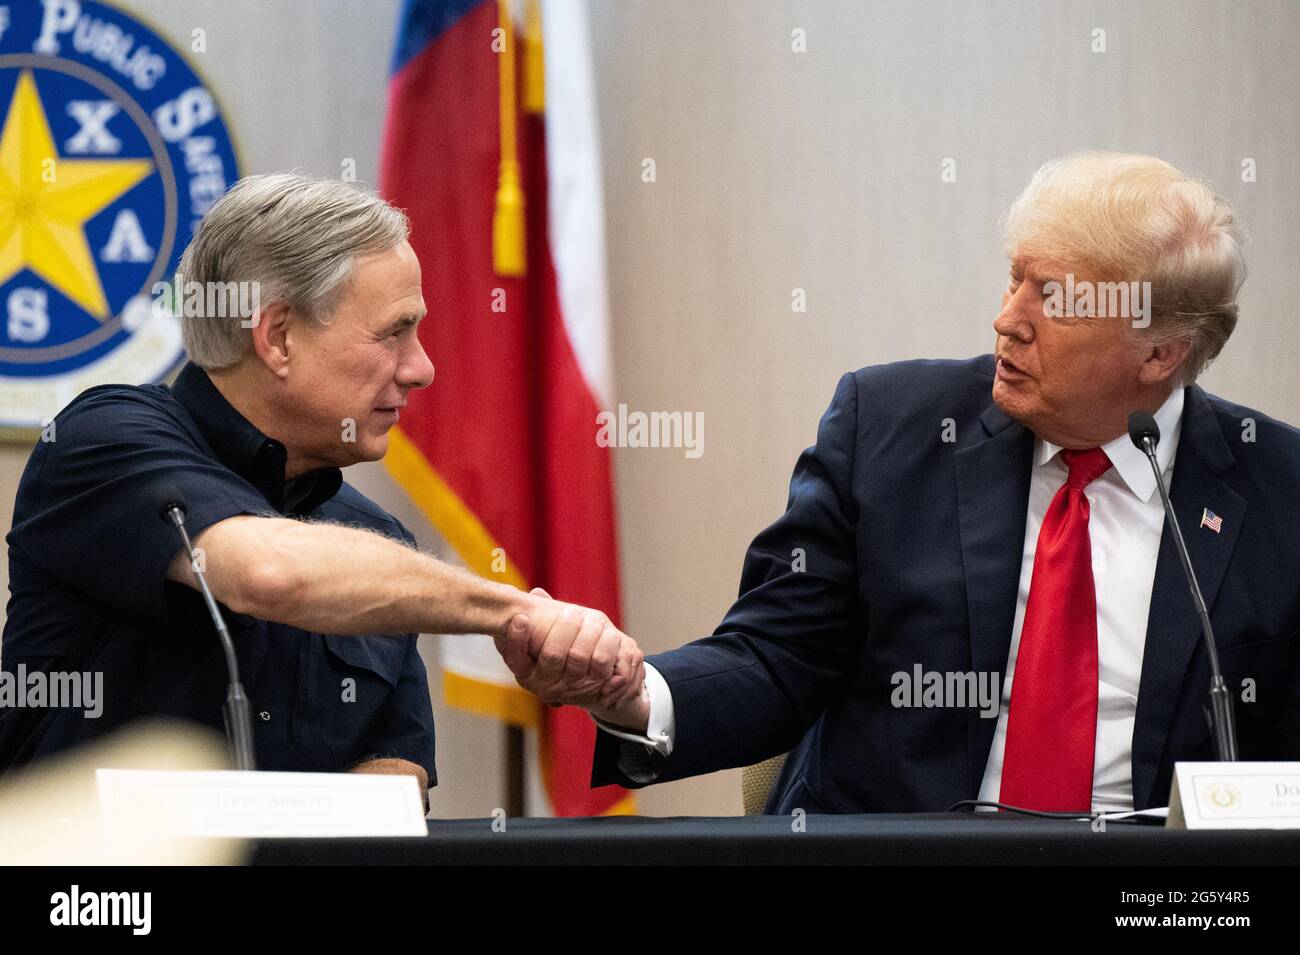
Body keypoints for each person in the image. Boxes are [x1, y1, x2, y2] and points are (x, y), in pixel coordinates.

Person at [499, 152, 1300, 813]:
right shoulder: (888, 429)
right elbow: (778, 659)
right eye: (1014, 278)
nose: (1008, 318)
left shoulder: (1279, 490)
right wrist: (634, 693)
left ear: (1159, 353)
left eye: (1052, 298)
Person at [0, 174, 643, 796]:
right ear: (277, 337)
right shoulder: (102, 436)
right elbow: (266, 572)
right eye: (395, 331)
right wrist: (516, 612)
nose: (423, 368)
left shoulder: (376, 540)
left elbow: (394, 780)